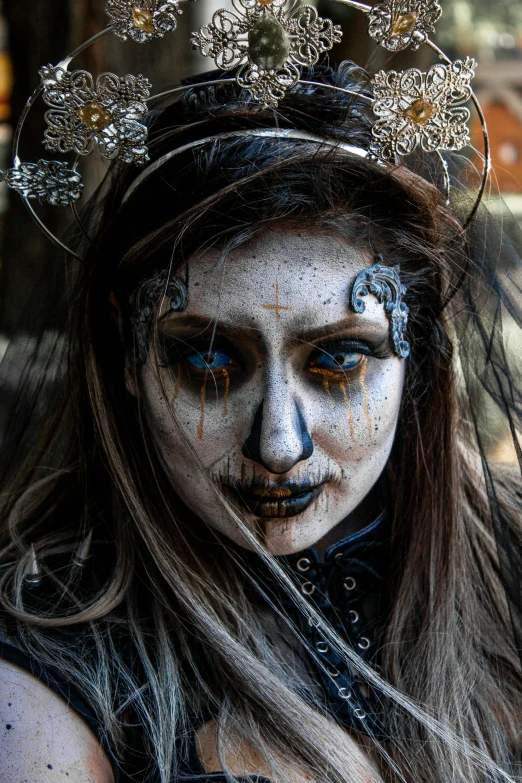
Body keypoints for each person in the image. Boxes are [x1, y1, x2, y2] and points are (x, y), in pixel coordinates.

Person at [0, 63, 521, 783]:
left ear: (417, 351)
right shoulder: (43, 680)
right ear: (128, 350)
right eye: (209, 359)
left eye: (338, 360)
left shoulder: (506, 570)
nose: (278, 444)